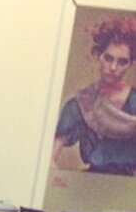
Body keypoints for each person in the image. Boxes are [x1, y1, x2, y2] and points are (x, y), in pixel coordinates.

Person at [53, 17, 136, 176]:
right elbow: (50, 156)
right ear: (98, 56)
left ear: (130, 64)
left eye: (122, 62)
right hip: (90, 183)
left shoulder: (134, 101)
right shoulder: (80, 103)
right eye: (108, 58)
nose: (113, 67)